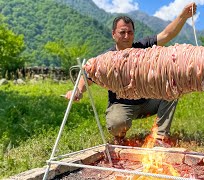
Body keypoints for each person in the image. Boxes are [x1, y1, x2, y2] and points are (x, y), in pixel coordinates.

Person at [65, 2, 197, 147]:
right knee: (117, 123)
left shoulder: (142, 47)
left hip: (148, 101)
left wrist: (183, 16)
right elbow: (88, 76)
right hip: (122, 105)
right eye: (122, 32)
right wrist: (77, 90)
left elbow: (166, 34)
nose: (127, 36)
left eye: (130, 32)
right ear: (113, 34)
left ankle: (160, 138)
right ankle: (120, 137)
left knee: (173, 89)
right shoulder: (107, 58)